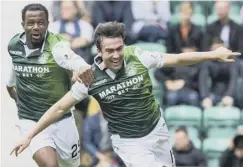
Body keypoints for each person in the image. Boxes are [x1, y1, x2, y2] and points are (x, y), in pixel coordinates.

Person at [10, 22, 241, 167]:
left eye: (119, 48)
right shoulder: (89, 78)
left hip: (158, 131)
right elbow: (60, 108)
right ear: (99, 51)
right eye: (109, 50)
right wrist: (29, 135)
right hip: (129, 142)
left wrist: (213, 54)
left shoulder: (137, 55)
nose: (116, 54)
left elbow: (177, 58)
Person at [6, 3, 93, 167]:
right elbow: (13, 77)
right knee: (50, 165)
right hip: (30, 120)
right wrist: (16, 94)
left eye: (41, 23)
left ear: (47, 24)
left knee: (71, 165)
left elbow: (74, 60)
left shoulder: (57, 45)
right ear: (23, 24)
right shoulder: (14, 45)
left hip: (62, 120)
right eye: (30, 23)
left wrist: (82, 68)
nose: (36, 27)